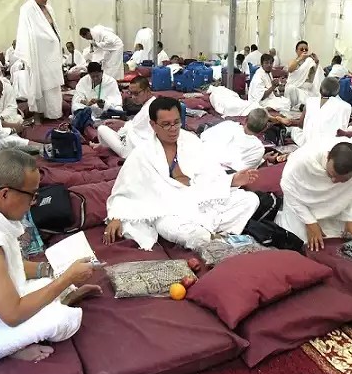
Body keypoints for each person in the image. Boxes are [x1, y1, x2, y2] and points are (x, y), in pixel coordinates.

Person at [0, 150, 103, 365]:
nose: (34, 203)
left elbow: (8, 268)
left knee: (48, 281)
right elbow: (13, 314)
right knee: (62, 321)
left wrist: (52, 270)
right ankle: (7, 347)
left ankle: (58, 298)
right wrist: (66, 279)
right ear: (4, 194)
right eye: (33, 194)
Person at [104, 97, 259, 250]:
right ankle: (210, 236)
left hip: (199, 200)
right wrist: (116, 216)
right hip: (168, 210)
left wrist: (233, 180)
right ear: (153, 125)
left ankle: (214, 235)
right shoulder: (141, 154)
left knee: (250, 200)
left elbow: (210, 173)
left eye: (176, 122)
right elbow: (124, 191)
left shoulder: (191, 141)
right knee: (177, 230)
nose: (173, 129)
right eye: (166, 124)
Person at [275, 138, 352, 251]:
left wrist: (351, 218)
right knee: (299, 241)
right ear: (328, 156)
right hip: (303, 205)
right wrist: (309, 222)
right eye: (330, 174)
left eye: (343, 180)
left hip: (342, 208)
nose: (334, 181)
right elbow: (289, 190)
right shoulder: (303, 160)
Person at [15, 0, 64, 122]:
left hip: (51, 54)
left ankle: (53, 114)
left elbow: (53, 29)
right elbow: (26, 34)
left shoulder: (49, 8)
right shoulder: (27, 9)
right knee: (39, 84)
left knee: (53, 84)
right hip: (38, 54)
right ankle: (38, 116)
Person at [97, 76, 155, 158]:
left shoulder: (151, 107)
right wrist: (122, 123)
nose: (133, 97)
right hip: (135, 146)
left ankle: (102, 146)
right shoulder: (149, 104)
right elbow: (137, 125)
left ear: (148, 91)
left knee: (101, 128)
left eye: (136, 93)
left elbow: (139, 131)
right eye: (131, 93)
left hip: (132, 150)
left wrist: (124, 125)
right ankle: (102, 145)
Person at [200, 108, 274, 172]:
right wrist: (262, 159)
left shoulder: (228, 124)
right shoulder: (258, 149)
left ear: (245, 120)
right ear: (264, 128)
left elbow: (203, 136)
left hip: (201, 160)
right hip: (219, 175)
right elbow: (243, 171)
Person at [289, 77, 352, 147]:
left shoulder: (310, 101)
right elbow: (343, 128)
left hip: (310, 143)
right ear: (337, 92)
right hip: (333, 145)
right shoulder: (346, 106)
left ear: (320, 89)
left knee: (295, 130)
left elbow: (301, 125)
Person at [284, 41, 324, 108]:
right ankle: (296, 106)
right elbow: (290, 69)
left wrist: (317, 63)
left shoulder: (309, 61)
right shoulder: (293, 61)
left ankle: (303, 106)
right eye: (302, 49)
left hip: (305, 89)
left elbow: (312, 78)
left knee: (313, 97)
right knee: (291, 88)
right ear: (296, 51)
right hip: (294, 87)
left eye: (306, 49)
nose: (304, 51)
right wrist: (300, 58)